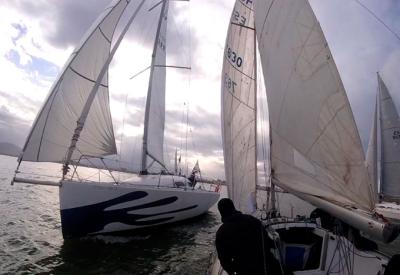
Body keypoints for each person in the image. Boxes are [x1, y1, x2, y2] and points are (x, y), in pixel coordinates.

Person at [216, 198, 292, 275]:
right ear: (233, 207)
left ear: (221, 213)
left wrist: (233, 270)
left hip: (246, 270)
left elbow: (224, 261)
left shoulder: (221, 233)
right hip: (268, 265)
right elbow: (269, 242)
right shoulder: (253, 220)